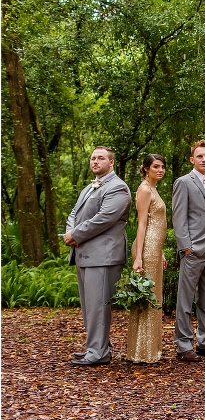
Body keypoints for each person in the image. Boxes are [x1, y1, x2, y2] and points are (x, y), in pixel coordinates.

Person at [64, 146, 132, 367]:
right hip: (85, 252)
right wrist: (70, 232)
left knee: (98, 306)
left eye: (100, 158)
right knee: (89, 305)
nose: (95, 161)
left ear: (111, 162)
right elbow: (74, 213)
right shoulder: (89, 187)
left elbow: (105, 219)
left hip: (104, 255)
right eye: (93, 158)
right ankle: (96, 347)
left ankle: (98, 352)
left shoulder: (118, 188)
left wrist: (76, 234)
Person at [172, 139, 205, 362]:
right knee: (185, 300)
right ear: (192, 159)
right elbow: (178, 216)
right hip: (192, 250)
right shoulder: (184, 182)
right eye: (200, 156)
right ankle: (183, 345)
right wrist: (186, 246)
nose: (204, 160)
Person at [126, 154, 168, 364]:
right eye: (155, 167)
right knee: (146, 298)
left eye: (162, 167)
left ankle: (150, 348)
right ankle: (141, 351)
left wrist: (160, 251)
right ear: (145, 168)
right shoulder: (144, 189)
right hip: (146, 250)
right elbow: (142, 224)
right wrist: (139, 257)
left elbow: (157, 222)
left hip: (154, 249)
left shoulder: (154, 188)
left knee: (153, 299)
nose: (160, 170)